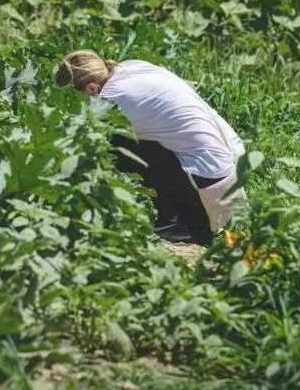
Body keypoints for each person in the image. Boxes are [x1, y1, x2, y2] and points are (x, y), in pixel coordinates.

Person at [54, 49, 246, 246]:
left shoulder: (111, 101)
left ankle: (182, 226)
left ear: (92, 89)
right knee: (138, 140)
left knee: (113, 145)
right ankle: (183, 217)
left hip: (211, 187)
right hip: (232, 169)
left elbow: (82, 145)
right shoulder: (131, 67)